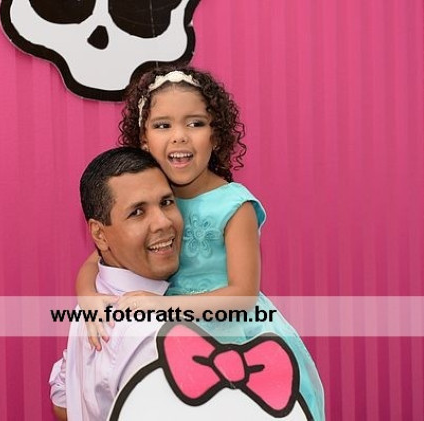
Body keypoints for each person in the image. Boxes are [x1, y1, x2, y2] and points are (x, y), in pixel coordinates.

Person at [76, 66, 325, 420]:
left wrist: (162, 307)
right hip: (173, 338)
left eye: (195, 123)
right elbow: (95, 258)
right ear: (144, 139)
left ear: (216, 136)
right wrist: (87, 297)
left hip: (235, 335)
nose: (180, 137)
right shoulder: (154, 198)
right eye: (163, 125)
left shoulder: (234, 204)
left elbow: (243, 295)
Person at [49, 147, 184, 420]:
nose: (163, 222)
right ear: (100, 234)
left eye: (166, 202)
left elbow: (62, 401)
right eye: (137, 212)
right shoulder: (154, 332)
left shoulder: (95, 298)